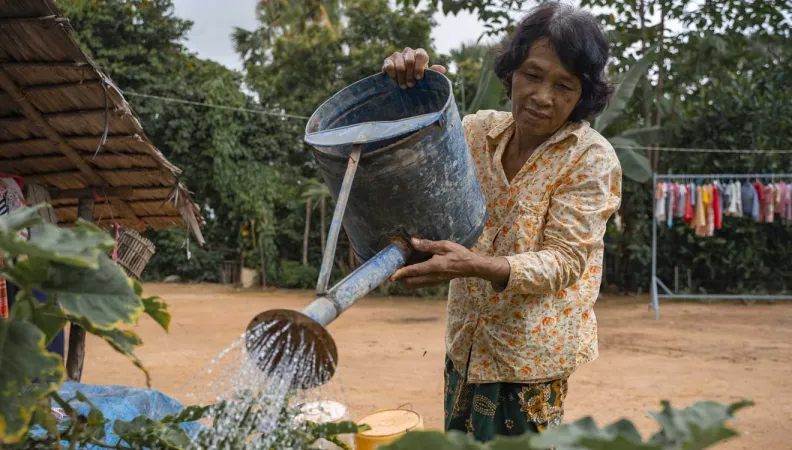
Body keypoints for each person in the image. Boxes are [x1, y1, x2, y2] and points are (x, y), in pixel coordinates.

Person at [386, 2, 622, 442]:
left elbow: (565, 261)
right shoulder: (475, 133)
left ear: (582, 96)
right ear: (512, 71)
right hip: (466, 349)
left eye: (564, 86)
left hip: (530, 364)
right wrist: (415, 94)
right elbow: (416, 163)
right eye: (533, 75)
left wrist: (476, 265)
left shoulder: (590, 157)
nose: (542, 96)